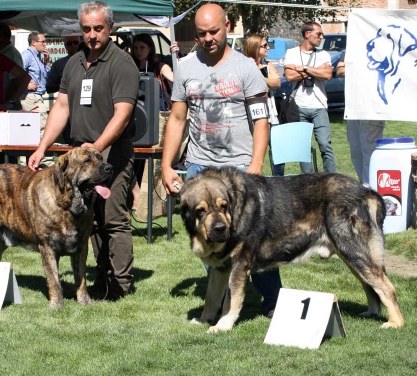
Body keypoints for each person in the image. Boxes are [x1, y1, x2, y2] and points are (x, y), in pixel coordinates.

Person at [160, 3, 281, 318]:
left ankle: (273, 301)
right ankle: (224, 297)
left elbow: (261, 121)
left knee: (254, 240)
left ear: (227, 26)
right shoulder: (186, 67)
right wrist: (166, 164)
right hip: (200, 168)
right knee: (209, 239)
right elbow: (176, 118)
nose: (208, 38)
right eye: (202, 34)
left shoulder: (245, 68)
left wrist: (255, 165)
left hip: (239, 171)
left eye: (214, 31)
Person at [28, 1, 139, 300]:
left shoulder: (122, 63)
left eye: (98, 28)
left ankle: (120, 286)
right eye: (87, 29)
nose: (92, 35)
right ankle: (100, 281)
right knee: (88, 221)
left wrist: (97, 149)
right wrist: (42, 147)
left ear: (110, 28)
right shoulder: (74, 62)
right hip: (78, 159)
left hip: (111, 153)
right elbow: (61, 107)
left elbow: (123, 114)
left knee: (112, 220)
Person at [128, 33, 177, 212]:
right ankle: (136, 194)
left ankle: (154, 203)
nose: (138, 51)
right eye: (136, 47)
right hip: (134, 119)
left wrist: (176, 58)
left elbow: (174, 78)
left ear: (150, 49)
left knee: (153, 162)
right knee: (131, 159)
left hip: (157, 119)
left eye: (142, 47)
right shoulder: (129, 66)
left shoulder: (159, 66)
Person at [284, 21, 336, 173]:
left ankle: (332, 179)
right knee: (303, 148)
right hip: (299, 106)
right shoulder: (292, 53)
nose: (321, 37)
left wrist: (305, 68)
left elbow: (327, 74)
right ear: (307, 34)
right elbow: (289, 75)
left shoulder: (323, 54)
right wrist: (315, 70)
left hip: (319, 106)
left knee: (325, 145)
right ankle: (308, 182)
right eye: (318, 34)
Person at [336, 54, 385, 186]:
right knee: (355, 151)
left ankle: (372, 187)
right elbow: (339, 70)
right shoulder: (352, 48)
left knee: (369, 150)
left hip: (372, 108)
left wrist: (353, 69)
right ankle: (365, 186)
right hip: (353, 108)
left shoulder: (379, 47)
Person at [242, 34, 283, 176]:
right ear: (254, 47)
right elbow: (270, 82)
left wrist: (257, 77)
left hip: (271, 115)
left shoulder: (268, 64)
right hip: (253, 117)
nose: (268, 48)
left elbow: (276, 83)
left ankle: (278, 180)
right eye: (264, 45)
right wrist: (266, 80)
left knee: (278, 154)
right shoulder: (244, 66)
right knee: (254, 153)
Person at [45, 33, 83, 144]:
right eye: (69, 44)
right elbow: (49, 87)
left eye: (76, 42)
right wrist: (66, 84)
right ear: (65, 47)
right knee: (71, 143)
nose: (73, 46)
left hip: (87, 110)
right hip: (69, 111)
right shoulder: (59, 64)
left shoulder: (90, 61)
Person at [21, 31, 51, 136]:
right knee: (42, 125)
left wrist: (47, 61)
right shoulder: (27, 55)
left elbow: (46, 75)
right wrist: (26, 85)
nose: (45, 44)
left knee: (40, 125)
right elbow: (18, 72)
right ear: (33, 42)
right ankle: (42, 150)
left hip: (38, 95)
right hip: (30, 96)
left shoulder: (38, 57)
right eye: (42, 42)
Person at [0, 22, 24, 111]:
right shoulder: (0, 53)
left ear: (0, 36)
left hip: (8, 106)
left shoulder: (11, 54)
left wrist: (9, 101)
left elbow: (16, 81)